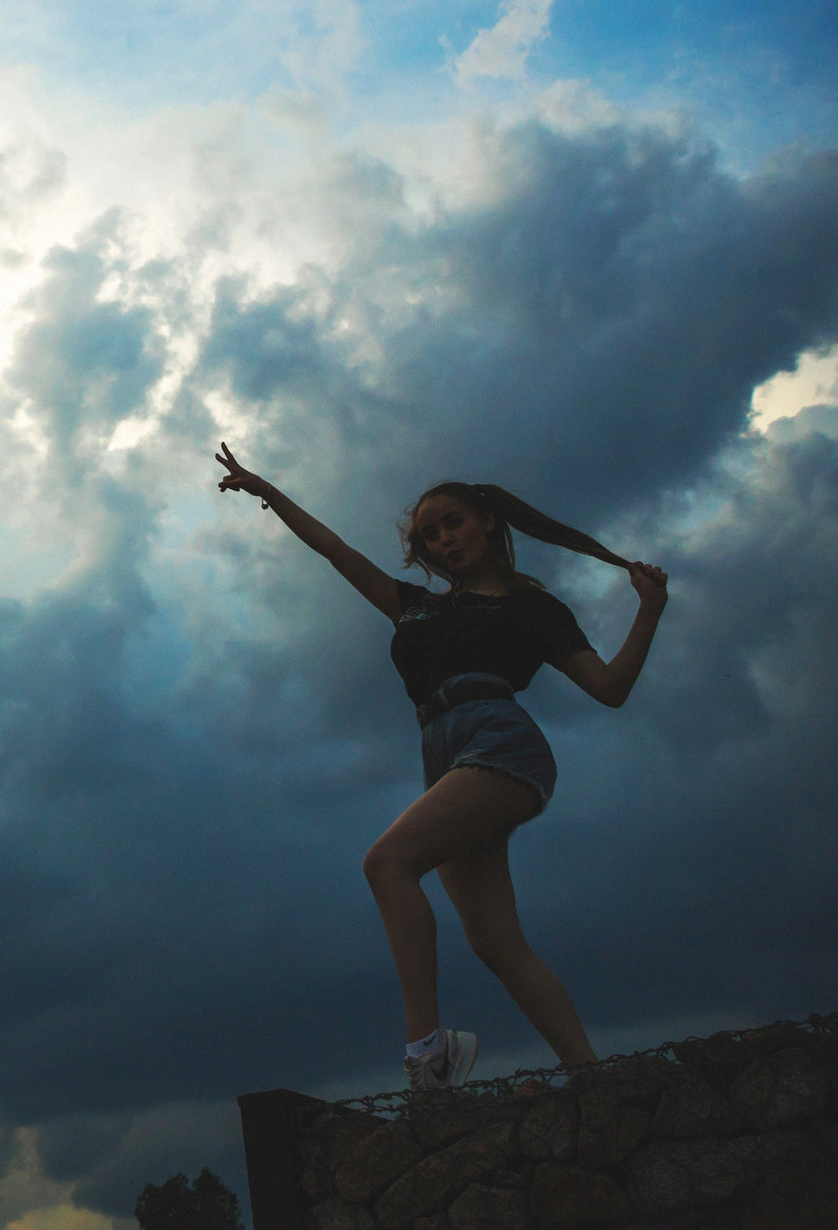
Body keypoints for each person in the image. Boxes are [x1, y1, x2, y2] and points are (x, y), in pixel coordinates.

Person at [213, 443, 670, 1091]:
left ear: (486, 519)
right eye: (429, 534)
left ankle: (428, 1052)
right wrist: (268, 491)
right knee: (494, 941)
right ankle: (593, 1078)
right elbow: (335, 549)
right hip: (445, 755)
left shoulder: (532, 608)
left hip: (500, 743)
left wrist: (649, 611)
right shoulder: (418, 606)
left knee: (387, 862)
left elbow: (609, 686)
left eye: (451, 521)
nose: (442, 539)